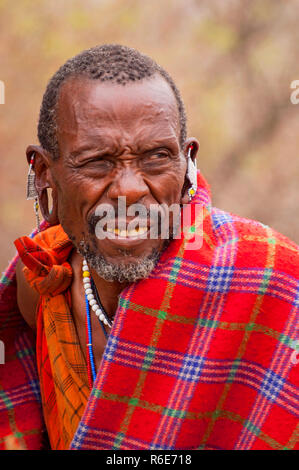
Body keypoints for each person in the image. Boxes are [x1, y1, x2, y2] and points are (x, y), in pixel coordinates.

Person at [0, 44, 298, 451]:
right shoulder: (41, 281)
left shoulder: (270, 279)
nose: (130, 189)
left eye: (157, 157)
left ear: (187, 161)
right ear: (43, 173)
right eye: (97, 161)